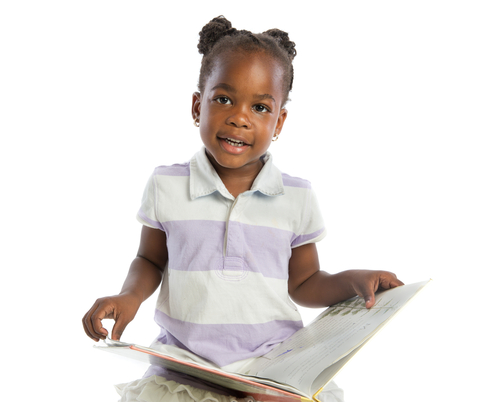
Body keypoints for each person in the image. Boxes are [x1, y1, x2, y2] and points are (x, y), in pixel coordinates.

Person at [82, 16, 404, 402]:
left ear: (279, 121)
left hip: (269, 370)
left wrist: (352, 281)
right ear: (197, 106)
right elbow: (150, 260)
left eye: (261, 107)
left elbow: (304, 282)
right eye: (223, 99)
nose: (240, 117)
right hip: (185, 369)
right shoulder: (166, 184)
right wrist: (128, 297)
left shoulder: (296, 196)